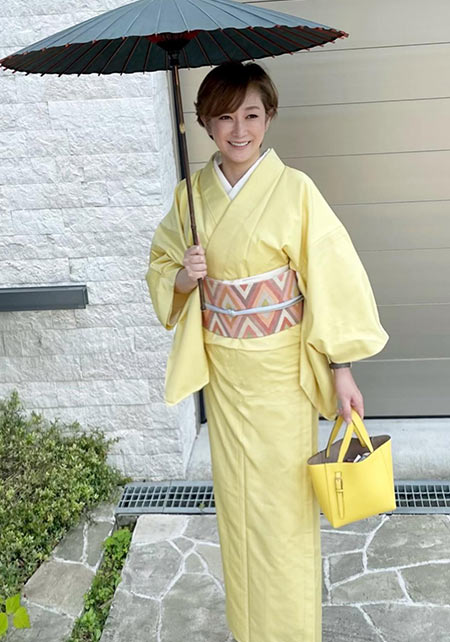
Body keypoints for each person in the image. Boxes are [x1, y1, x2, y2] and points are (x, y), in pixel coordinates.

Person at [146, 61, 389, 642]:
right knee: (237, 506)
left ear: (269, 116)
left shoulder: (295, 190)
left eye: (251, 115)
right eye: (224, 117)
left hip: (281, 373)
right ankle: (249, 627)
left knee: (283, 510)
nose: (239, 130)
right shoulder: (190, 197)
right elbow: (161, 267)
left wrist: (341, 368)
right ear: (205, 123)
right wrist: (183, 276)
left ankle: (292, 631)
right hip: (225, 375)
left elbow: (330, 280)